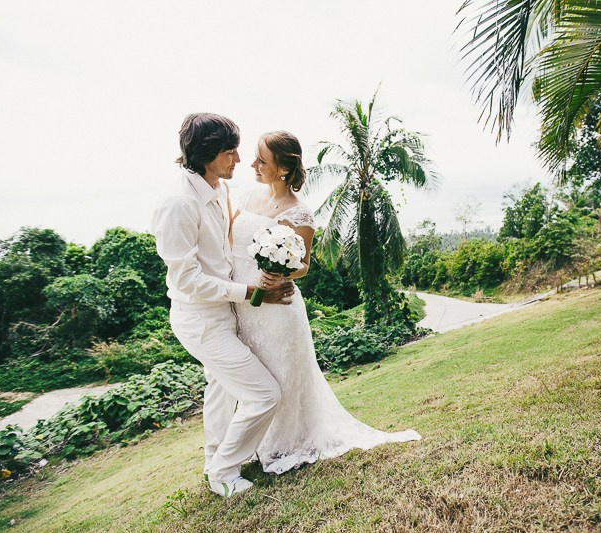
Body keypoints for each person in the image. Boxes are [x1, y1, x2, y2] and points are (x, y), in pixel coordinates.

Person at [231, 131, 421, 475]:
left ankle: (287, 443)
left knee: (284, 375)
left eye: (262, 160)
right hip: (245, 305)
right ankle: (254, 442)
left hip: (278, 307)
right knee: (255, 376)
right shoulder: (245, 198)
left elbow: (301, 264)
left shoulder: (300, 213)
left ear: (284, 169)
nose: (252, 164)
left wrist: (279, 273)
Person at [152, 114, 296, 497]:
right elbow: (184, 280)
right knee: (265, 394)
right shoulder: (178, 204)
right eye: (229, 152)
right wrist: (249, 292)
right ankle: (224, 473)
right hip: (199, 320)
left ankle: (215, 458)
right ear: (204, 153)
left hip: (225, 313)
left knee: (220, 389)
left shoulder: (219, 189)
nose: (238, 160)